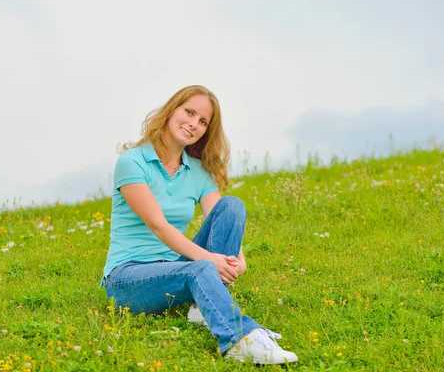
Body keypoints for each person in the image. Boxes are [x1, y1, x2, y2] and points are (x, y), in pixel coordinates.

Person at [101, 85, 298, 364]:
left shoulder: (198, 172)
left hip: (175, 268)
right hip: (127, 278)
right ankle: (238, 339)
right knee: (201, 267)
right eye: (189, 112)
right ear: (171, 111)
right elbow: (158, 225)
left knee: (232, 205)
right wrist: (207, 260)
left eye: (203, 121)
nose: (193, 124)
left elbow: (220, 216)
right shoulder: (132, 161)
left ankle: (200, 308)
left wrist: (239, 259)